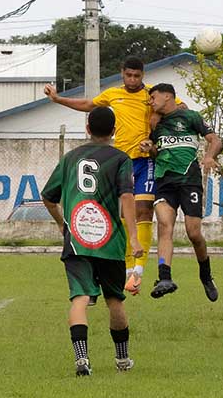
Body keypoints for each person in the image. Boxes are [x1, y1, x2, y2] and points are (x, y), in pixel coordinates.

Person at [41, 107, 144, 376]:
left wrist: (63, 225)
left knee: (80, 298)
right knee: (115, 300)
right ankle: (122, 360)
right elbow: (127, 197)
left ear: (87, 128)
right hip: (109, 241)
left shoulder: (70, 159)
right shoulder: (121, 159)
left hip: (77, 239)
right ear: (114, 131)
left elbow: (48, 197)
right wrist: (134, 238)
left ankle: (82, 359)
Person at [44, 57, 156, 295]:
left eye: (137, 76)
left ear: (143, 75)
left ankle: (139, 272)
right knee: (117, 214)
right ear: (122, 73)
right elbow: (87, 105)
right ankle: (124, 271)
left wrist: (157, 137)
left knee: (144, 209)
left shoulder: (151, 95)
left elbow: (175, 107)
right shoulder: (112, 94)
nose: (133, 80)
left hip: (144, 160)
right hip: (118, 161)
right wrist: (57, 99)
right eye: (129, 75)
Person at [139, 83, 222, 301]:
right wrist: (151, 148)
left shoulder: (190, 117)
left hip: (189, 181)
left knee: (193, 233)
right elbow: (158, 153)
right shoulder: (155, 123)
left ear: (168, 96)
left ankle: (205, 275)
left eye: (154, 97)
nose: (151, 101)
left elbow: (215, 139)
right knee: (165, 226)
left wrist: (209, 156)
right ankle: (164, 277)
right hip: (164, 181)